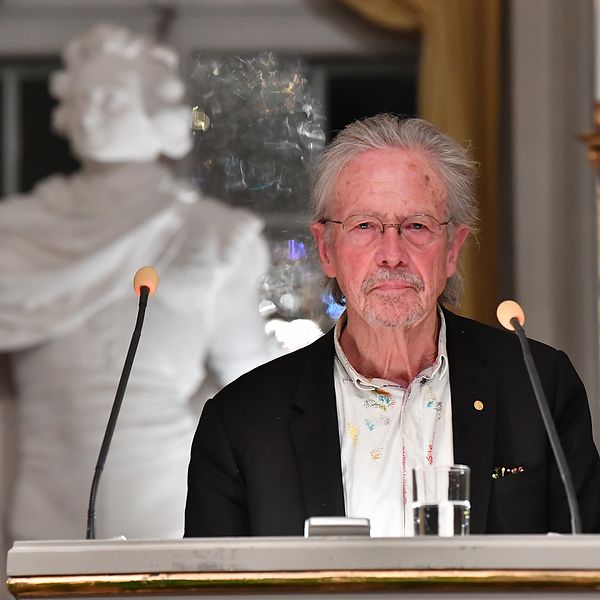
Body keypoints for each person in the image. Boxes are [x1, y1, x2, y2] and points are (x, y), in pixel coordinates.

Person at [185, 113, 600, 537]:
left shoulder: (539, 389)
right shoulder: (241, 420)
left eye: (416, 226)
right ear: (326, 249)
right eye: (365, 226)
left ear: (453, 249)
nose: (391, 254)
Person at [0, 24, 276, 542]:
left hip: (163, 504)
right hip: (41, 507)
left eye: (110, 99)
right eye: (80, 99)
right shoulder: (17, 233)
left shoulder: (212, 234)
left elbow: (255, 388)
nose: (89, 113)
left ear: (155, 109)